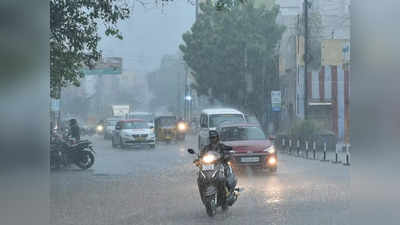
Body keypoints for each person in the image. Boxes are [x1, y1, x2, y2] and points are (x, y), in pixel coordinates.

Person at [200, 130, 237, 198]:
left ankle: (228, 192)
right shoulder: (207, 147)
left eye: (214, 137)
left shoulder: (221, 146)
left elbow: (228, 149)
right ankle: (203, 192)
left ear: (217, 138)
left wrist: (227, 154)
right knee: (200, 177)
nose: (213, 139)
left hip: (220, 164)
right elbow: (202, 154)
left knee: (224, 177)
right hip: (210, 166)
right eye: (211, 138)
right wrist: (198, 159)